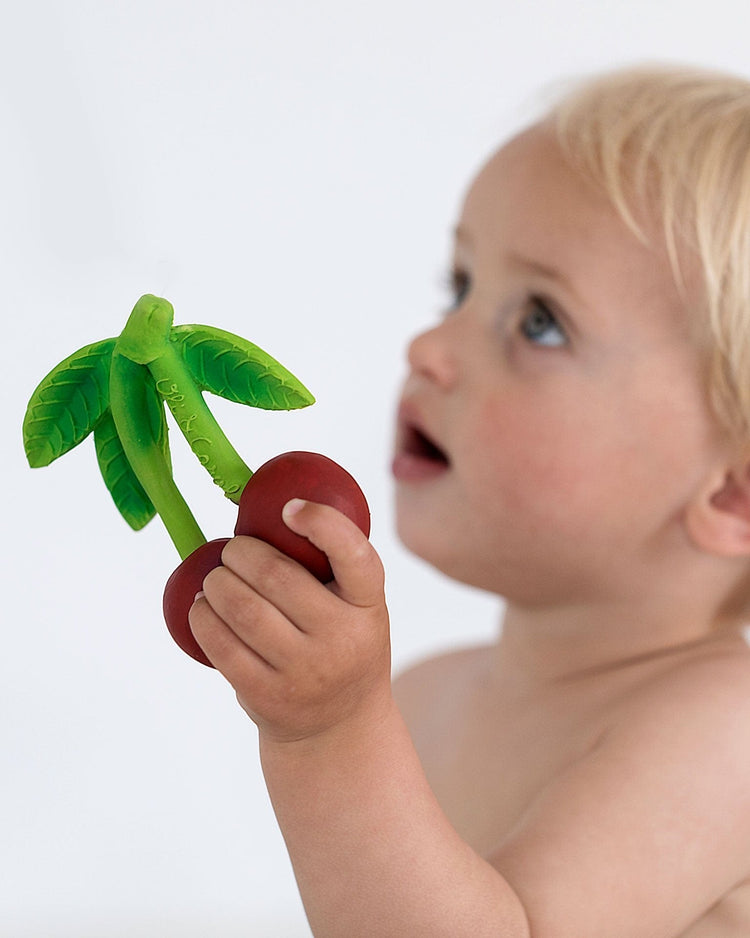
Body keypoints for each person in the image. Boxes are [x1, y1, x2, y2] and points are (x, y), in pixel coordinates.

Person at [188, 64, 750, 936]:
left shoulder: (729, 731)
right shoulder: (422, 695)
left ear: (737, 493)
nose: (428, 345)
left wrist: (327, 741)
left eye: (540, 322)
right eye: (459, 286)